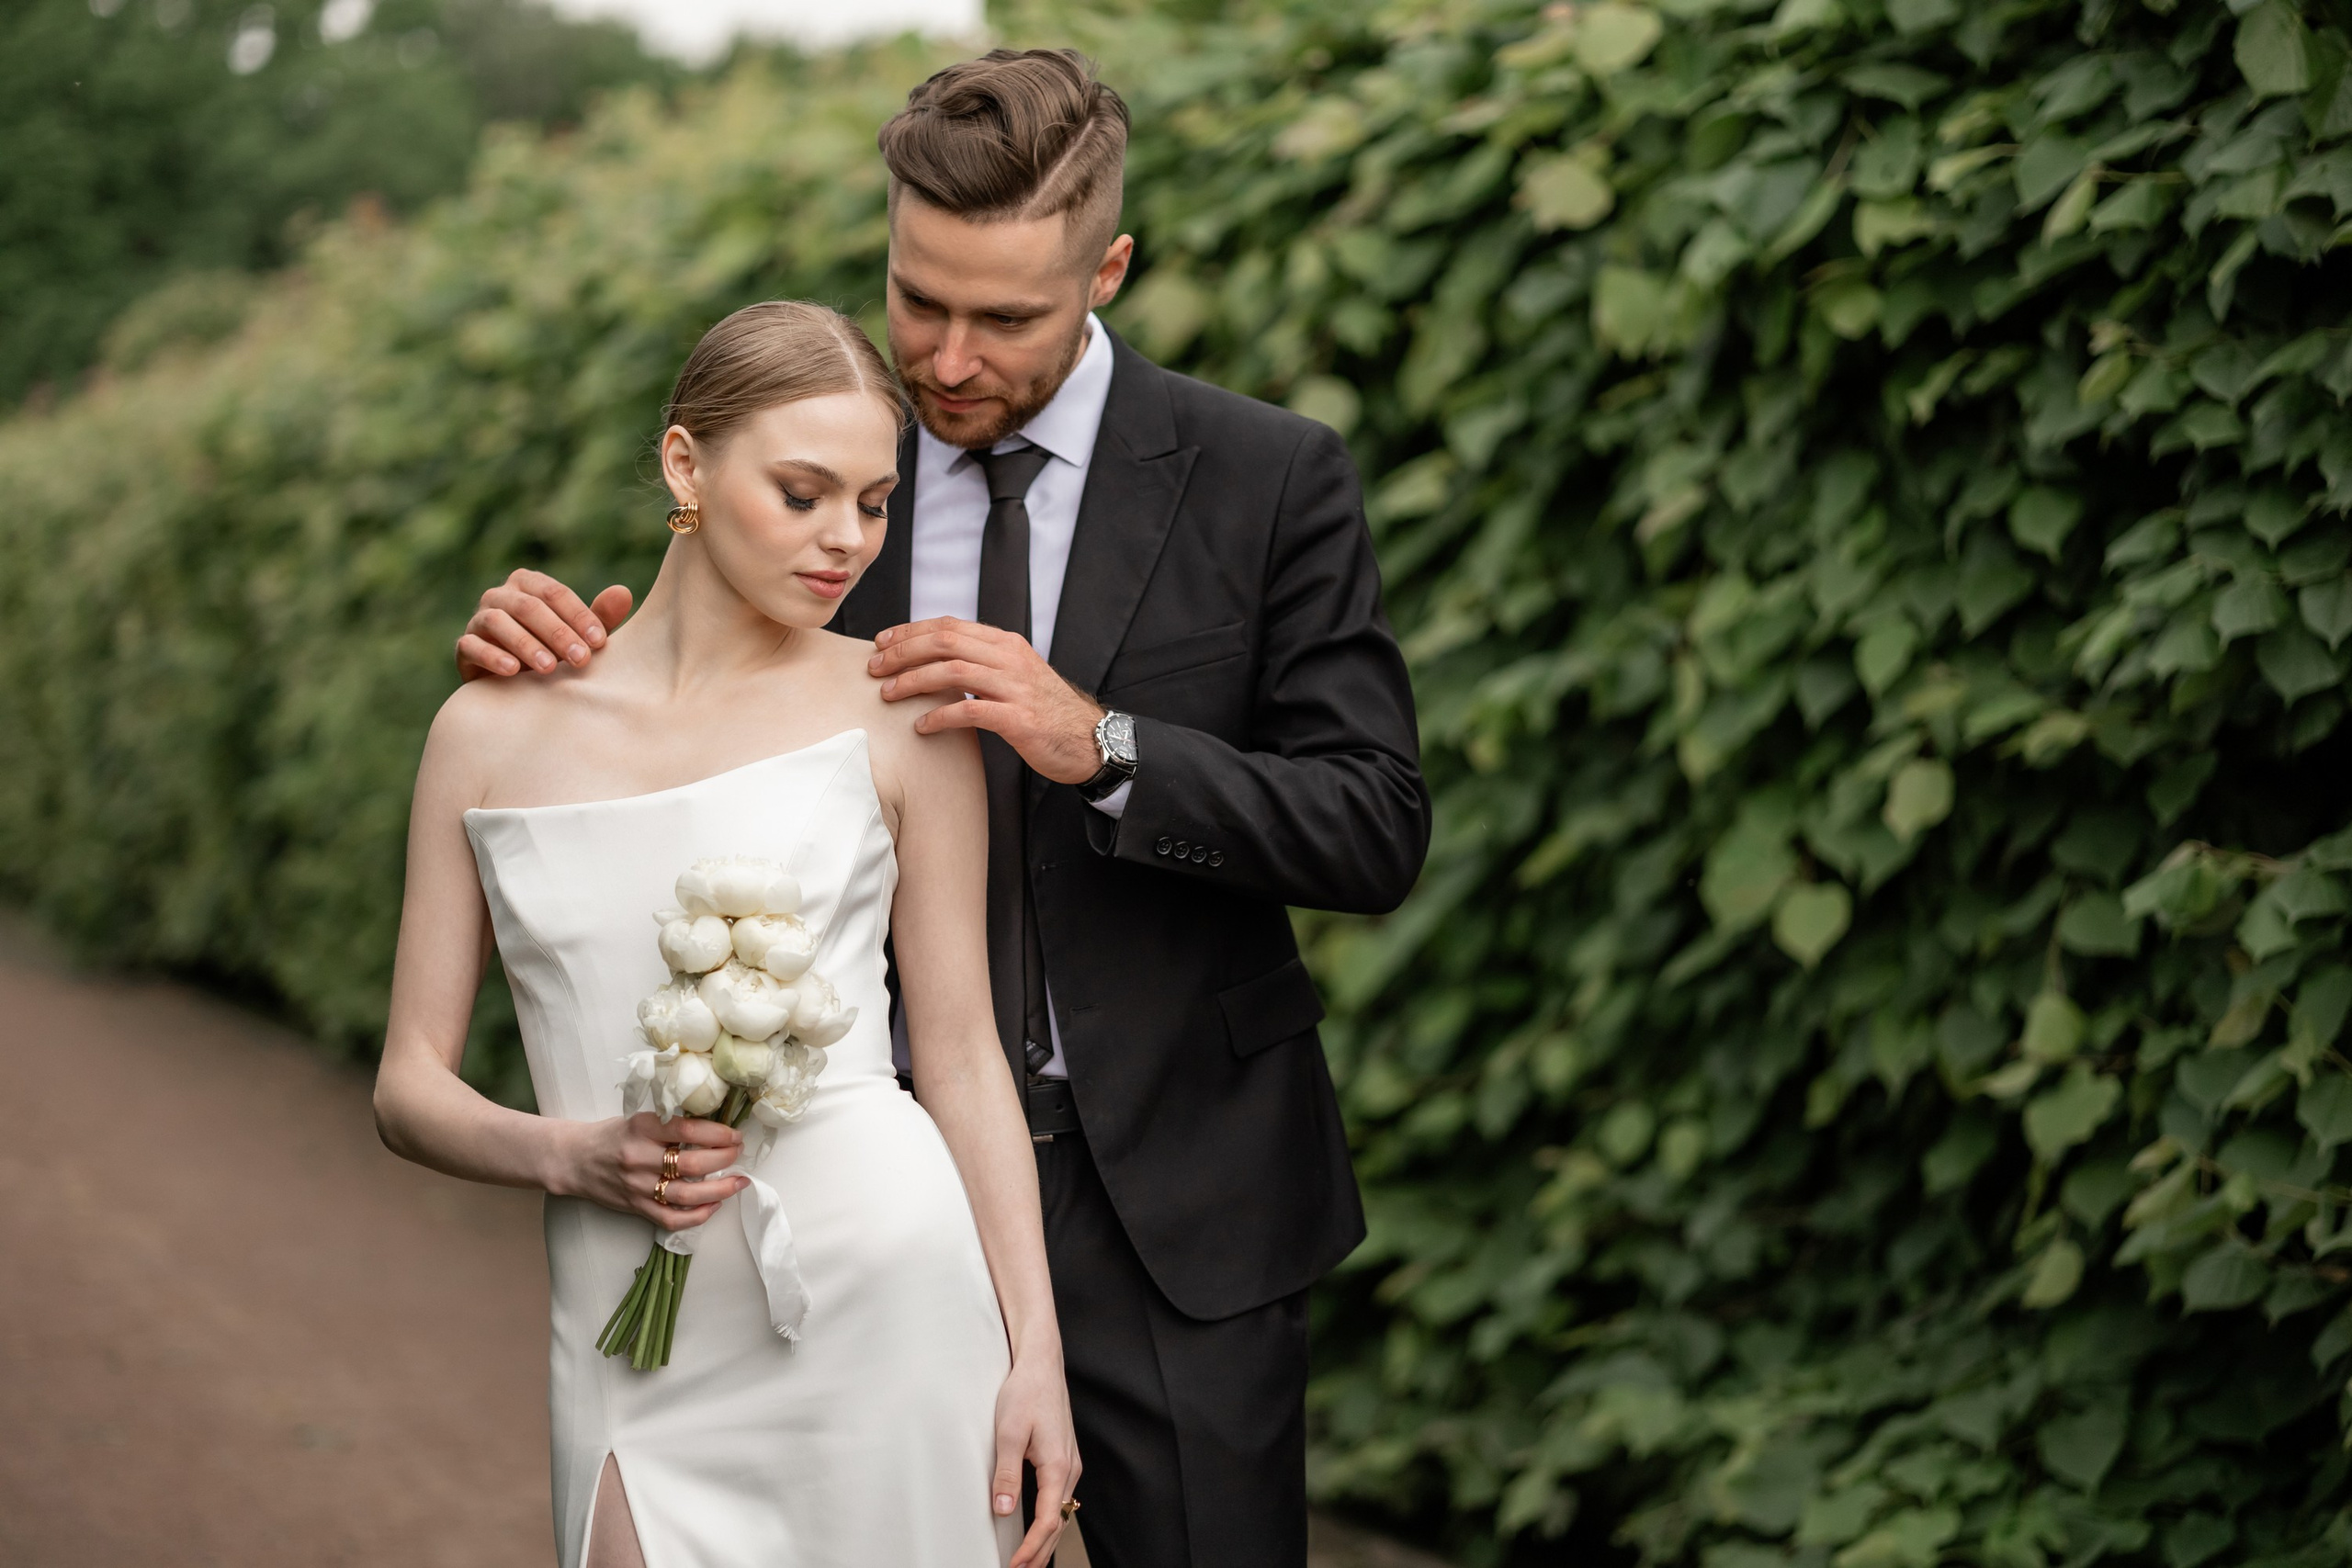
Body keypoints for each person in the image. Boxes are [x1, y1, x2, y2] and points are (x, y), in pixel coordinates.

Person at [457, 50, 1430, 1568]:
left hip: (1177, 1208)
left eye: (1008, 318)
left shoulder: (1269, 479)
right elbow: (674, 695)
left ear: (1107, 268)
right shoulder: (829, 475)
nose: (950, 357)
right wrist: (535, 650)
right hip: (851, 1211)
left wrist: (1100, 738)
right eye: (920, 298)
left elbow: (1373, 823)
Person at [375, 299, 1079, 1568]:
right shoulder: (483, 734)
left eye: (873, 501)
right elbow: (406, 1089)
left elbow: (966, 1058)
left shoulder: (898, 716)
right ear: (685, 465)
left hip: (890, 1299)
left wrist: (1037, 1355)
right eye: (803, 492)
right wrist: (574, 1155)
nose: (845, 542)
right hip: (630, 1328)